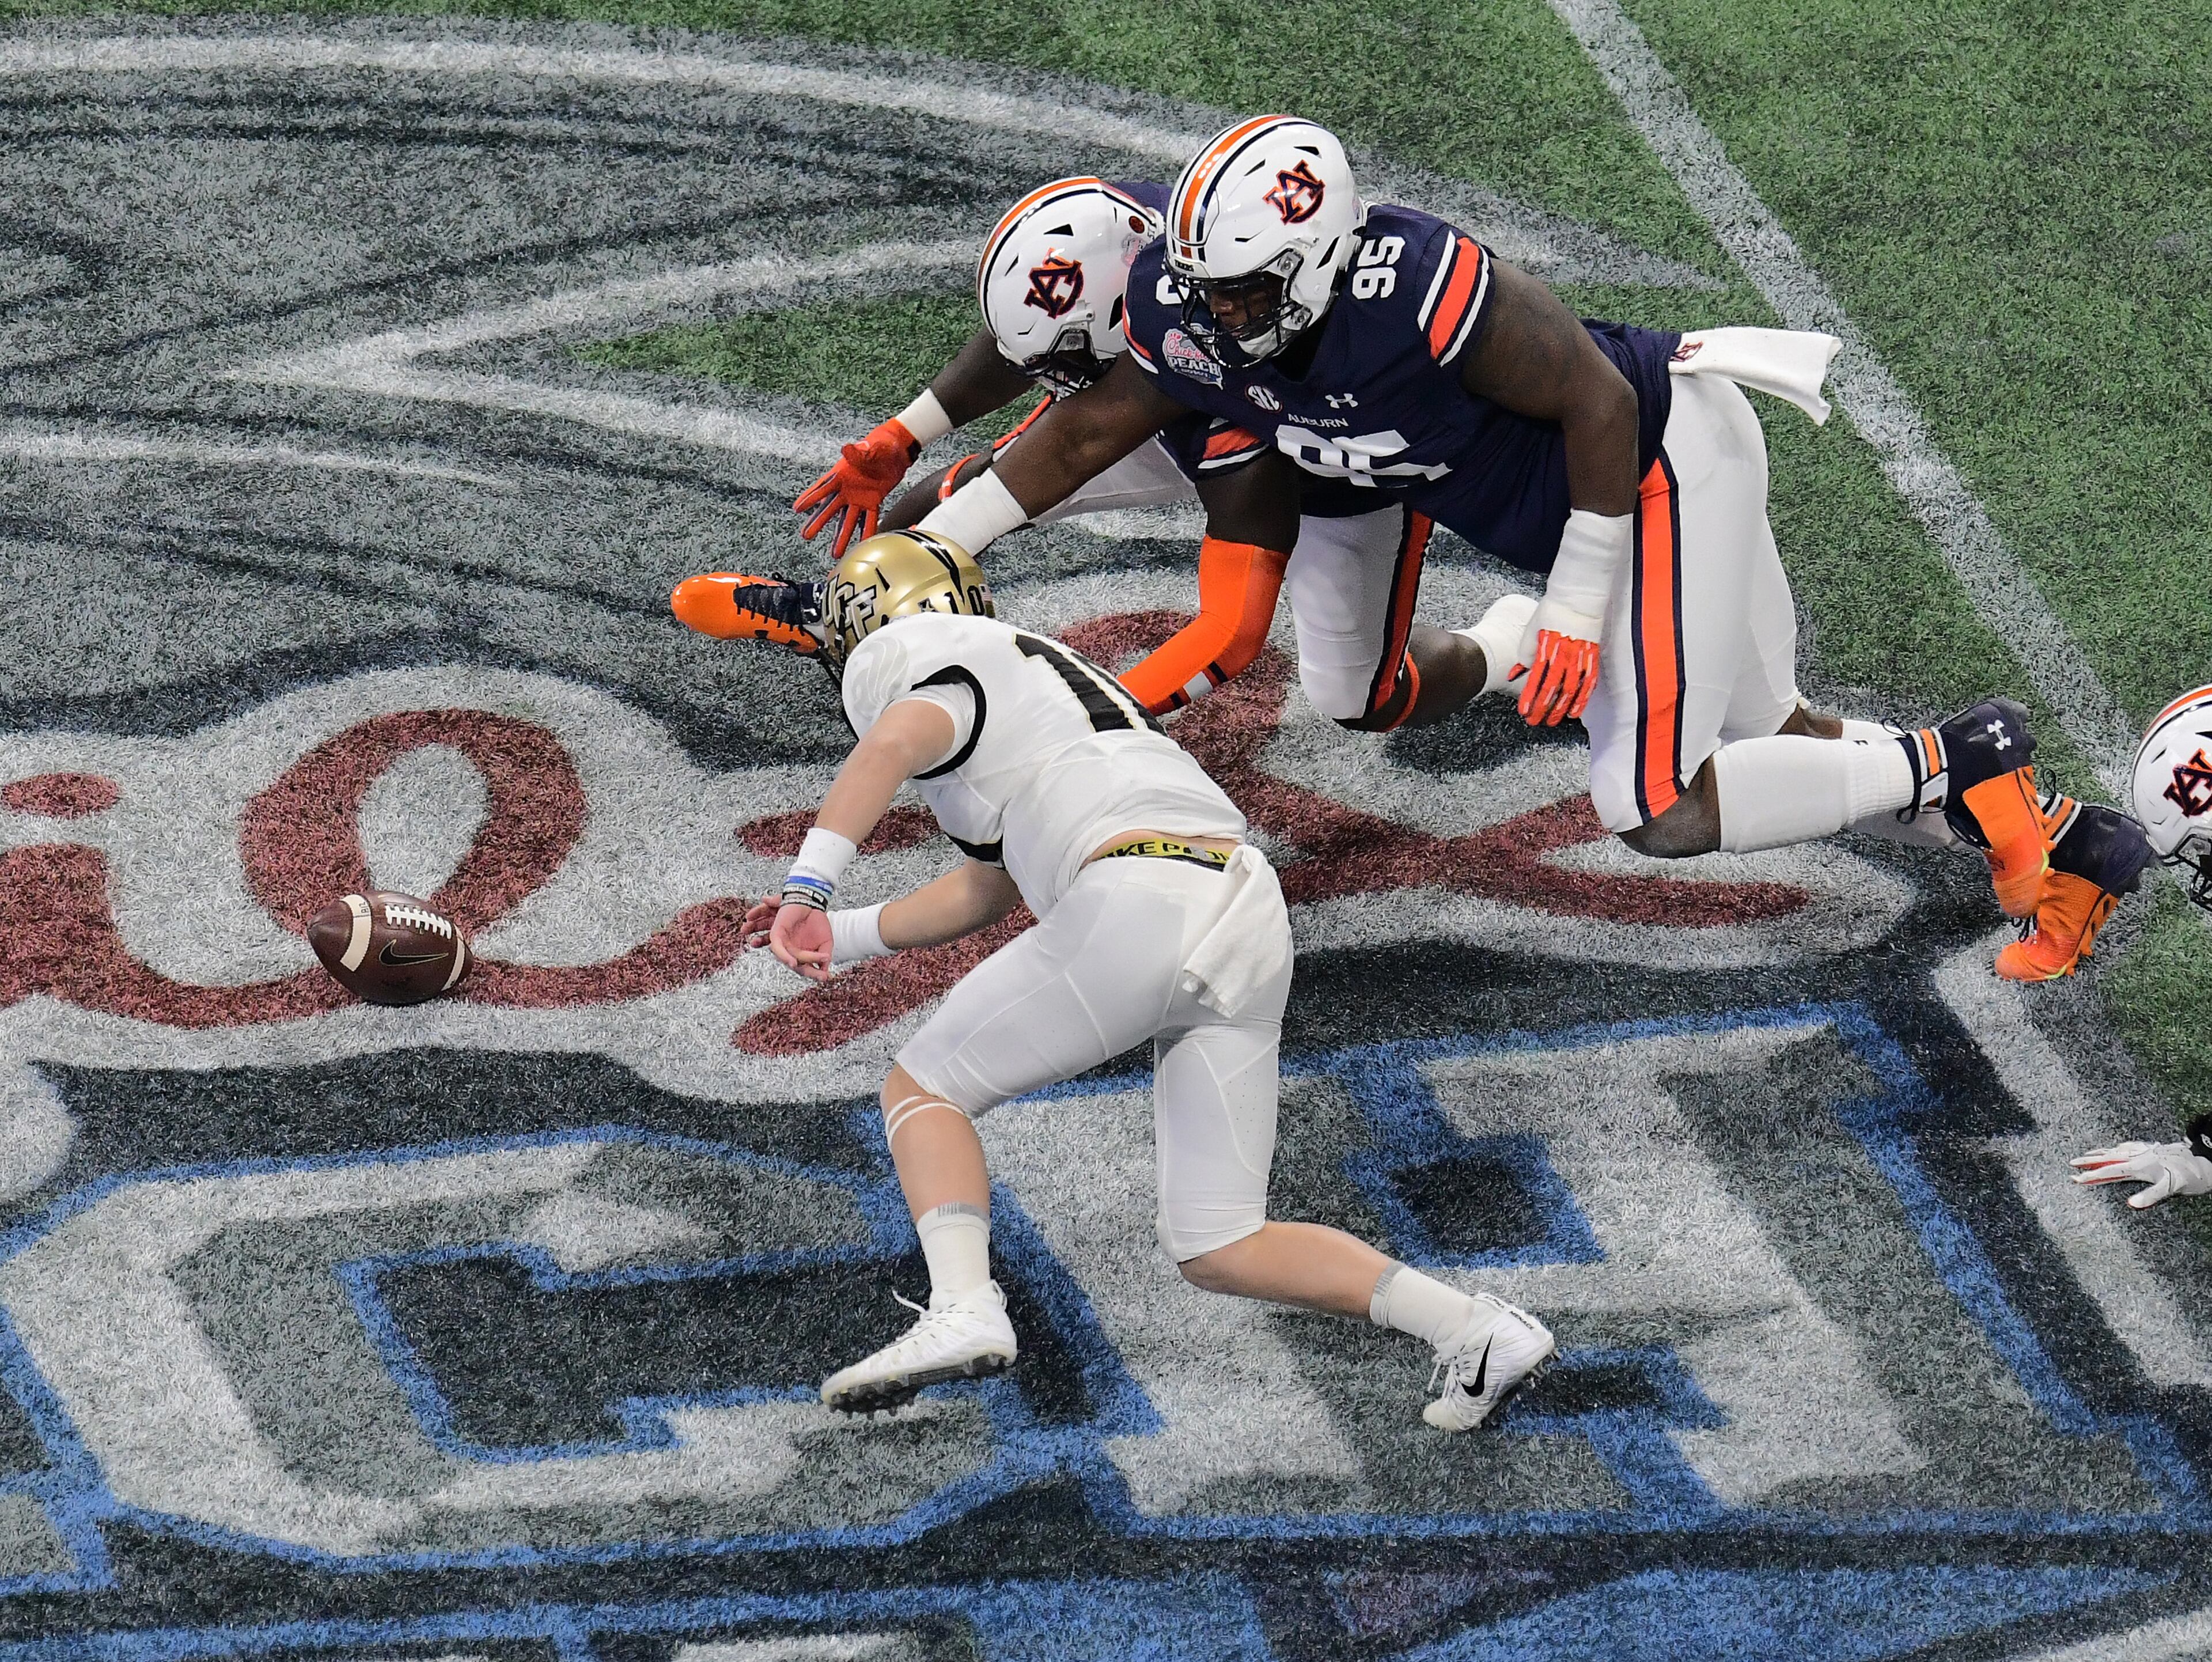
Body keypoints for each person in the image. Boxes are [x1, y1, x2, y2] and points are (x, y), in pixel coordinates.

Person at [906, 115, 2146, 978]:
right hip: (1596, 502)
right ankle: (2063, 834)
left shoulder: (1415, 284)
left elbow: (1599, 401)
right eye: (1208, 288)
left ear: (1325, 256)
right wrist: (941, 536)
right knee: (1772, 750)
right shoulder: (1197, 307)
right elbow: (1082, 435)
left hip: (1659, 467)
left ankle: (1956, 751)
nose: (1219, 315)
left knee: (1654, 807)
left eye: (1247, 290)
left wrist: (1572, 605)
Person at [738, 528, 1555, 1429]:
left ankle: (964, 1303)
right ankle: (1476, 1328)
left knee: (923, 1088)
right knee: (1220, 1240)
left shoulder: (919, 655)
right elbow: (986, 885)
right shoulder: (1035, 683)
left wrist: (809, 886)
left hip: (1138, 893)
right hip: (1238, 904)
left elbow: (894, 739)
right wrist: (839, 938)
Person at [676, 174, 1532, 728]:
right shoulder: (1125, 237)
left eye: (1080, 366)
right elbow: (1033, 347)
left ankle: (1509, 644)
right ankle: (839, 615)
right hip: (1184, 396)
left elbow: (1230, 632)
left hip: (1311, 454)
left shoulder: (1234, 360)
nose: (1061, 384)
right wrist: (906, 434)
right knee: (949, 505)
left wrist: (1097, 716)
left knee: (1360, 697)